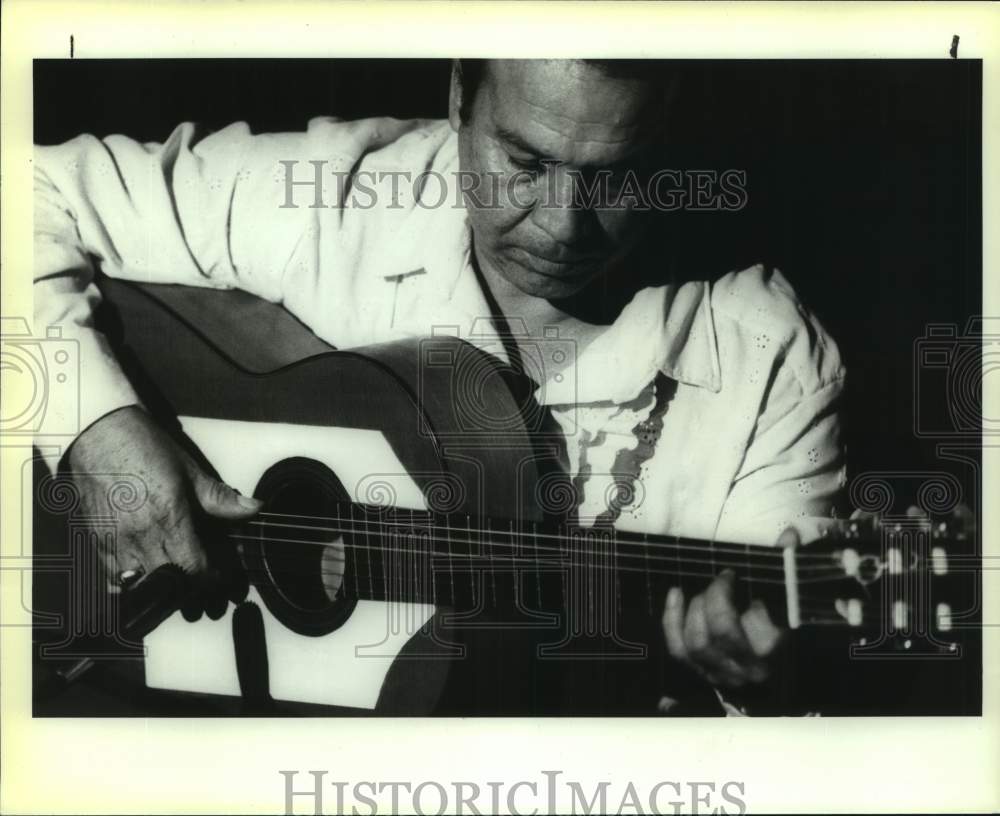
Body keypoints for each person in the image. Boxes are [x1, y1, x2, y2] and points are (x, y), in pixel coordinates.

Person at [33, 59, 846, 713]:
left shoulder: (768, 358)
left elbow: (785, 700)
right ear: (461, 95)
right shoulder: (338, 193)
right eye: (524, 162)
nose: (562, 225)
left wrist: (761, 686)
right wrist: (97, 433)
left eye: (616, 177)